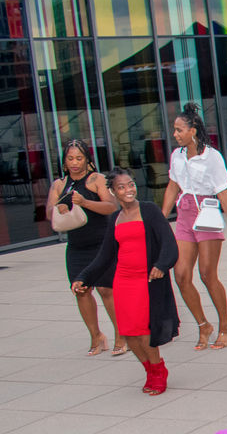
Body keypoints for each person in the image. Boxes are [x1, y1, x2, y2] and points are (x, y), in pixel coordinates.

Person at [73, 168, 177, 395]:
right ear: (113, 191)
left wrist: (161, 265)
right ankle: (149, 371)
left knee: (144, 331)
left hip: (145, 281)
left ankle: (159, 371)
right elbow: (105, 255)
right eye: (121, 187)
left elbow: (169, 243)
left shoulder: (149, 210)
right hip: (123, 281)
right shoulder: (115, 218)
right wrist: (84, 277)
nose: (128, 190)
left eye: (131, 184)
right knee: (129, 333)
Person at [162, 103, 227, 350]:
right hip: (184, 215)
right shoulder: (177, 155)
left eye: (179, 130)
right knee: (181, 275)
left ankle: (225, 325)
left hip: (206, 214)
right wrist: (162, 219)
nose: (175, 134)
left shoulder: (211, 156)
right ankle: (203, 325)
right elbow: (173, 186)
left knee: (207, 273)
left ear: (193, 130)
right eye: (174, 130)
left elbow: (223, 192)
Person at [48, 139, 124, 356]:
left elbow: (112, 206)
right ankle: (96, 336)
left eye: (79, 158)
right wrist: (58, 208)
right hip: (76, 246)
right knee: (80, 290)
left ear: (87, 160)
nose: (74, 163)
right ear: (64, 161)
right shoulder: (59, 184)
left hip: (101, 243)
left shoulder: (96, 179)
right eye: (70, 158)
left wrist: (84, 202)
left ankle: (121, 335)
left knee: (106, 289)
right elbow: (48, 213)